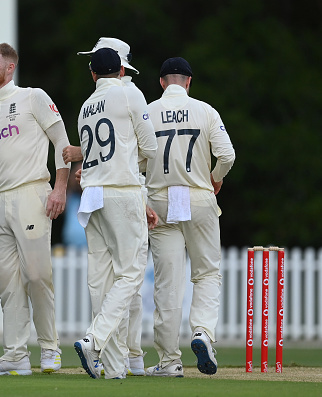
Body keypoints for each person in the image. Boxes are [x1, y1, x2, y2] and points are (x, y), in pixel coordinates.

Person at [0, 43, 70, 375]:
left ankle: (50, 348)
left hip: (32, 193)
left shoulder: (33, 97)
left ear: (9, 67)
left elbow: (62, 143)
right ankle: (15, 354)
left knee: (37, 275)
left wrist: (59, 187)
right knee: (8, 282)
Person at [64, 37, 153, 376]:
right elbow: (151, 147)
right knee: (131, 272)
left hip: (92, 194)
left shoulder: (86, 106)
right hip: (121, 190)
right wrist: (131, 160)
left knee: (101, 278)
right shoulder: (129, 92)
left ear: (92, 74)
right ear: (120, 70)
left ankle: (113, 367)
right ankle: (95, 340)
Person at [144, 57, 235, 377]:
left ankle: (169, 361)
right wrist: (216, 176)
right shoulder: (205, 110)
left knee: (168, 284)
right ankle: (202, 333)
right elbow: (227, 155)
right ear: (189, 82)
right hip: (198, 197)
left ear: (161, 83)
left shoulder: (147, 112)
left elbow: (135, 159)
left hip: (159, 201)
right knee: (207, 272)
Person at [61, 161, 87, 248]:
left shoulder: (93, 198)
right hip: (70, 246)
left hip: (90, 247)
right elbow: (70, 185)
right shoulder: (70, 197)